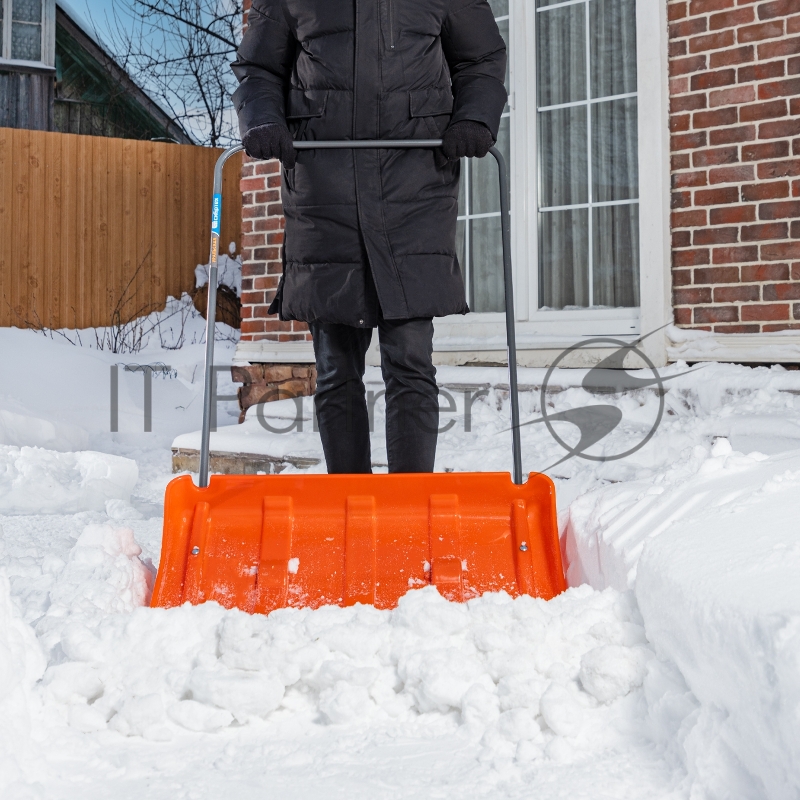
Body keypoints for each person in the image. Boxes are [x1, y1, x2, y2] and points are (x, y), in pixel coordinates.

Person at [232, 0, 507, 474]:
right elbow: (258, 67)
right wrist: (262, 118)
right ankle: (349, 499)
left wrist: (474, 117)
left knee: (410, 359)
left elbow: (481, 57)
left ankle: (409, 503)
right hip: (324, 188)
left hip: (414, 185)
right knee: (336, 366)